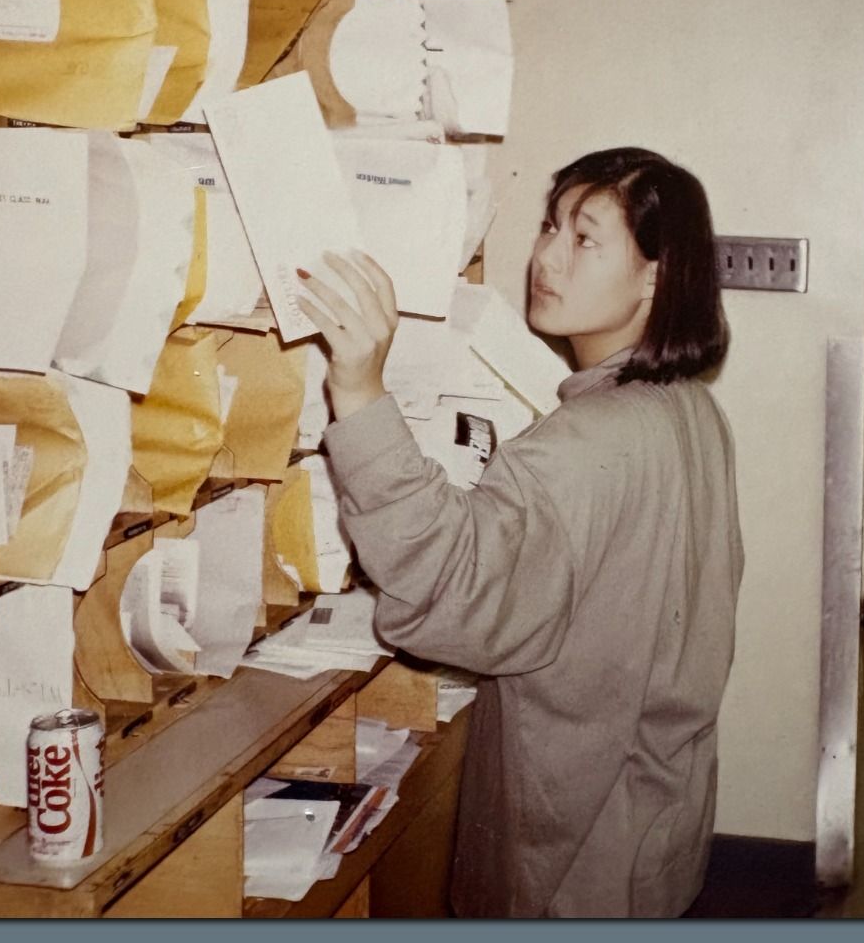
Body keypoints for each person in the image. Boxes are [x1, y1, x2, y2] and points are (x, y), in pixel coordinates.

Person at [294, 147, 744, 918]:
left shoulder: (585, 442)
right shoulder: (690, 409)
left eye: (584, 237)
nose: (547, 257)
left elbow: (450, 586)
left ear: (655, 278)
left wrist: (360, 390)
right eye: (548, 227)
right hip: (652, 819)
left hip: (573, 857)